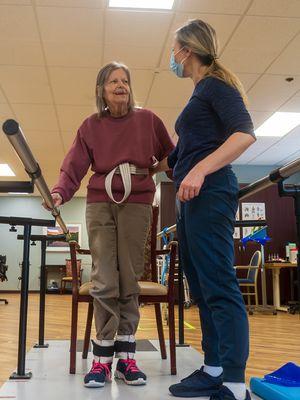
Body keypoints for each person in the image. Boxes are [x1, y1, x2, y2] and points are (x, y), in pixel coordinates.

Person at [46, 62, 174, 389]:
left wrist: (166, 169)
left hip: (138, 201)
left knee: (129, 276)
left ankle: (126, 358)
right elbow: (72, 167)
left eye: (125, 80)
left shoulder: (148, 121)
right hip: (100, 201)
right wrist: (60, 193)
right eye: (113, 81)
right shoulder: (91, 126)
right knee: (105, 276)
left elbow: (173, 156)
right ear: (102, 89)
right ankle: (102, 360)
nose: (121, 85)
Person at [153, 19, 256, 400]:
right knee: (200, 284)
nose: (173, 57)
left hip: (210, 190)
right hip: (190, 197)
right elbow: (178, 155)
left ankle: (233, 382)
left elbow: (244, 133)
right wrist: (151, 165)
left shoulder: (215, 84)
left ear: (187, 50)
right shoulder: (199, 94)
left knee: (219, 285)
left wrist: (198, 169)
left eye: (174, 49)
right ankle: (213, 367)